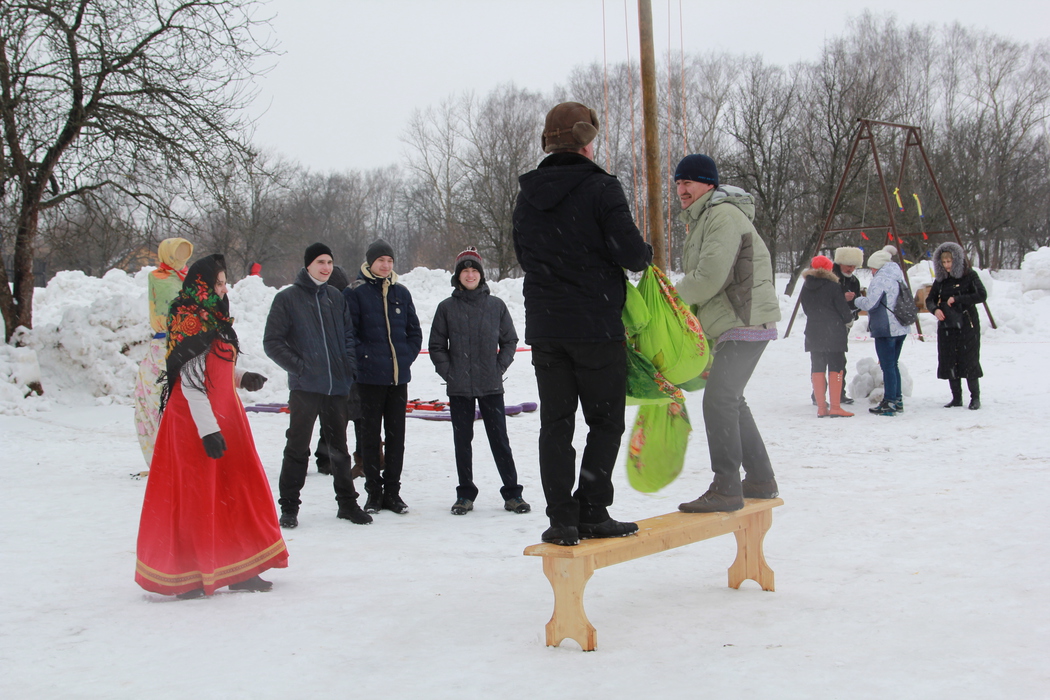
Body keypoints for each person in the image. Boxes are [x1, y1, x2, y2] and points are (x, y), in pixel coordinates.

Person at [513, 101, 653, 546]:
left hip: (547, 328)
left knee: (556, 424)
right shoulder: (602, 188)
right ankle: (592, 510)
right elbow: (632, 254)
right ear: (587, 142)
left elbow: (524, 255)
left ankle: (561, 520)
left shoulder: (527, 195)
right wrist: (644, 253)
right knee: (605, 422)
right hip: (595, 326)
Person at [135, 254, 287, 599]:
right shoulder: (188, 317)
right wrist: (208, 431)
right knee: (198, 496)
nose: (223, 289)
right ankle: (188, 575)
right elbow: (191, 383)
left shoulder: (214, 315)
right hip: (194, 422)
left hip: (223, 414)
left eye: (224, 282)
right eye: (218, 283)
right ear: (201, 285)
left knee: (235, 490)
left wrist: (241, 377)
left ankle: (241, 568)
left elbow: (212, 367)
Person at [673, 153, 782, 513]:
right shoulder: (706, 218)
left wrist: (669, 298)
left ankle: (726, 488)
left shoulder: (722, 216)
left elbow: (708, 278)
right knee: (731, 399)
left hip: (744, 319)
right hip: (736, 321)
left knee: (719, 400)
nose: (682, 189)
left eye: (688, 182)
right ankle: (761, 480)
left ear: (709, 184)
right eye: (678, 183)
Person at [263, 243, 367, 528]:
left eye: (330, 262)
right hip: (305, 388)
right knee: (297, 448)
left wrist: (348, 367)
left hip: (337, 387)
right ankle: (289, 507)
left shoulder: (336, 297)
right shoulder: (287, 298)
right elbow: (272, 342)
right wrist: (301, 367)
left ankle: (347, 504)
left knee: (339, 450)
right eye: (320, 262)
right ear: (308, 265)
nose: (326, 267)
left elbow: (348, 336)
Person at [429, 246, 530, 516]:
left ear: (481, 275)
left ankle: (513, 494)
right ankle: (465, 494)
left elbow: (510, 340)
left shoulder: (496, 306)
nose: (470, 275)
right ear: (458, 276)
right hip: (459, 388)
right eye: (465, 271)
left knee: (500, 440)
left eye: (474, 270)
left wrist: (498, 367)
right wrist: (449, 373)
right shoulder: (446, 308)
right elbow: (436, 346)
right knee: (462, 443)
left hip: (490, 385)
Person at [345, 239, 422, 515]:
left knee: (396, 436)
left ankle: (393, 492)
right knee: (369, 436)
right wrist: (365, 359)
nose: (386, 265)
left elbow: (414, 332)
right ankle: (374, 493)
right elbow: (349, 334)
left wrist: (405, 357)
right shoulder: (355, 292)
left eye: (389, 261)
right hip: (369, 378)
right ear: (370, 262)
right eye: (381, 260)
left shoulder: (401, 292)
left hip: (398, 379)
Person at [133, 237, 193, 468]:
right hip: (163, 343)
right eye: (178, 251)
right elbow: (162, 309)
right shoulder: (157, 277)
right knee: (156, 398)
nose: (182, 256)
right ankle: (162, 456)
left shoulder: (190, 278)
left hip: (190, 341)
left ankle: (183, 454)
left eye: (185, 252)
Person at [926, 241, 987, 410]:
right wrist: (935, 310)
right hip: (947, 324)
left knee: (969, 360)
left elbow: (982, 295)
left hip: (967, 324)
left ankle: (975, 397)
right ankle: (956, 397)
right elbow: (930, 299)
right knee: (949, 359)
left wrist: (958, 299)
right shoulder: (941, 280)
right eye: (944, 262)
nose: (947, 265)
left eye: (950, 261)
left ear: (957, 260)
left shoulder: (969, 275)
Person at [853, 244, 911, 416]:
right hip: (901, 327)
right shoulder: (897, 276)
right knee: (893, 364)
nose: (871, 271)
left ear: (877, 266)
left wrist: (856, 300)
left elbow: (870, 303)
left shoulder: (880, 279)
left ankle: (889, 402)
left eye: (872, 268)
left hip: (886, 328)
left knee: (887, 366)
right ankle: (897, 400)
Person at [800, 255, 854, 417]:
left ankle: (821, 407)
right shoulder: (833, 286)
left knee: (817, 368)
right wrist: (848, 320)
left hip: (813, 331)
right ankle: (836, 407)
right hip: (833, 332)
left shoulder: (806, 286)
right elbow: (843, 310)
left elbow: (806, 309)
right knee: (836, 367)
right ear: (829, 269)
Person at [832, 246, 864, 404]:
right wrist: (842, 298)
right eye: (848, 265)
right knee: (822, 361)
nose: (851, 269)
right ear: (840, 263)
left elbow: (855, 302)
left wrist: (854, 310)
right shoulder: (830, 278)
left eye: (854, 266)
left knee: (839, 360)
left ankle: (839, 393)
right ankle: (818, 395)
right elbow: (824, 301)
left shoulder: (854, 281)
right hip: (828, 323)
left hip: (844, 324)